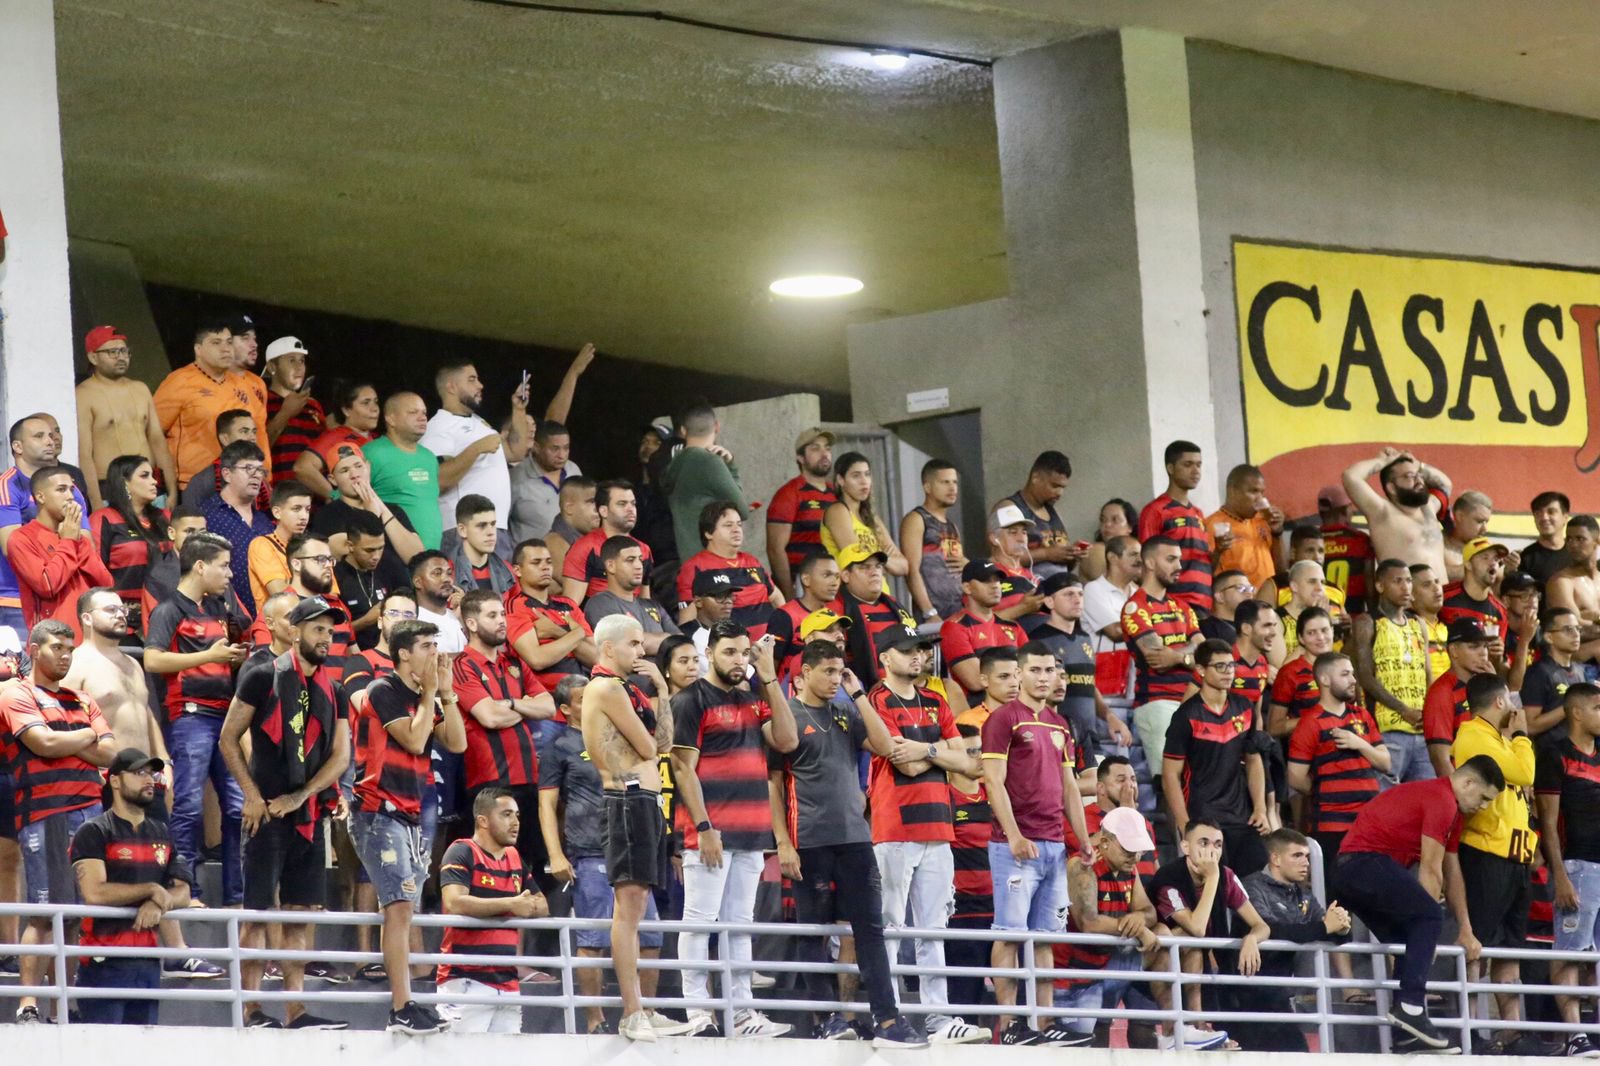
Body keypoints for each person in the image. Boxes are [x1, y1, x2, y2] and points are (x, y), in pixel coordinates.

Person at [770, 640, 929, 1047]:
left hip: (856, 838)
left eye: (839, 671)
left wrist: (858, 692)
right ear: (803, 673)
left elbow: (884, 745)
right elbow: (773, 785)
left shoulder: (845, 709)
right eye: (826, 671)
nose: (833, 679)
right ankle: (826, 1019)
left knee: (869, 931)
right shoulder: (785, 717)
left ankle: (888, 1020)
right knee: (813, 933)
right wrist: (784, 843)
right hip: (808, 839)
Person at [220, 596, 352, 1030]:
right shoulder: (262, 675)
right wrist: (253, 797)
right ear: (294, 631)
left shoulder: (334, 689)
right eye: (317, 629)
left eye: (330, 631)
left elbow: (341, 756)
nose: (325, 638)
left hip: (306, 812)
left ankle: (295, 1009)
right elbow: (228, 738)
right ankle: (251, 1008)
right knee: (257, 913)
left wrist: (304, 796)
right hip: (266, 811)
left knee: (300, 912)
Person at [670, 621, 797, 1037]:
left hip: (752, 831)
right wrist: (704, 827)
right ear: (710, 654)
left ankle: (742, 1014)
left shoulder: (754, 698)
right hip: (711, 833)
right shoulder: (691, 700)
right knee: (700, 922)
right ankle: (698, 1014)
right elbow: (681, 768)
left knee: (740, 925)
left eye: (744, 652)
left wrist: (770, 676)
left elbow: (786, 739)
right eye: (730, 652)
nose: (739, 660)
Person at [866, 625, 989, 1045]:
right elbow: (904, 763)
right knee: (891, 925)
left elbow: (972, 765)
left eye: (920, 650)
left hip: (939, 826)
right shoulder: (876, 700)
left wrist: (928, 750)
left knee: (933, 927)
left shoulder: (937, 700)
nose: (917, 657)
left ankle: (938, 1017)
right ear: (885, 658)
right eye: (906, 651)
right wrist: (941, 753)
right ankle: (888, 1014)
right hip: (895, 825)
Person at [1333, 756, 1504, 1049]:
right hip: (1362, 864)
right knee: (1428, 917)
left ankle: (1406, 1036)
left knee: (1409, 941)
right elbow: (1430, 869)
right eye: (1484, 798)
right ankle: (1411, 1008)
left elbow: (1452, 872)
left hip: (1351, 870)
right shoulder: (1443, 800)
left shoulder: (1453, 812)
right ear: (1467, 782)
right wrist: (1429, 928)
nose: (1484, 807)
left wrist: (1464, 927)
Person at [350, 618, 465, 1034]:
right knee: (398, 908)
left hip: (411, 813)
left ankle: (408, 1003)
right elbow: (415, 741)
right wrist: (433, 692)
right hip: (378, 811)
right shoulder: (383, 690)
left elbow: (457, 743)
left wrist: (447, 694)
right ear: (403, 653)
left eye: (437, 644)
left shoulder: (425, 696)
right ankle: (401, 1007)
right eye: (427, 645)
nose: (436, 653)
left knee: (405, 909)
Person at [0, 619, 117, 1023]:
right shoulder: (15, 692)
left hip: (91, 814)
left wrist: (71, 737)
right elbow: (42, 743)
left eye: (70, 649)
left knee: (72, 917)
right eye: (56, 648)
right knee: (43, 911)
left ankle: (62, 1006)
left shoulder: (82, 698)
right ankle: (28, 1003)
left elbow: (111, 754)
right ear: (33, 650)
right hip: (45, 811)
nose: (65, 656)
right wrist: (86, 736)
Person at [582, 615, 692, 1042]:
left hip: (643, 801)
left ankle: (642, 1009)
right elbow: (648, 747)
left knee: (638, 905)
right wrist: (649, 728)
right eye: (632, 644)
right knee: (628, 909)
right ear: (608, 649)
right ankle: (631, 1012)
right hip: (625, 800)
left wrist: (663, 690)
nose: (641, 652)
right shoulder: (606, 688)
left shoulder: (627, 690)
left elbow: (663, 745)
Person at [982, 642, 1092, 1046]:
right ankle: (1009, 1024)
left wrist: (1081, 838)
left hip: (1053, 845)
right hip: (1015, 846)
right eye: (1037, 670)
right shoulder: (1002, 719)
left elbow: (1069, 787)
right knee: (1009, 934)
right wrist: (1013, 835)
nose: (1045, 677)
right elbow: (992, 780)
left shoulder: (1061, 724)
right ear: (1020, 674)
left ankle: (1043, 1024)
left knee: (1045, 937)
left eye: (1051, 670)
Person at [539, 674, 662, 1034]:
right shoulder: (559, 745)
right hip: (590, 847)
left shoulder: (621, 734)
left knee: (651, 934)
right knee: (592, 940)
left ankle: (647, 1013)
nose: (589, 702)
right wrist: (556, 854)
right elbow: (547, 804)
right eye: (579, 699)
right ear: (565, 708)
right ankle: (595, 1021)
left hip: (630, 839)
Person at [143, 532, 250, 907]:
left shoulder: (221, 608)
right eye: (223, 565)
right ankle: (186, 890)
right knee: (187, 804)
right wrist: (208, 657)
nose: (230, 574)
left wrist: (231, 657)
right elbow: (152, 660)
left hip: (225, 719)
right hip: (189, 715)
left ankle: (239, 896)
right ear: (201, 566)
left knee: (238, 809)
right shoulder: (168, 608)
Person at [68, 747, 193, 1025]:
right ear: (114, 780)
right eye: (139, 773)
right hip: (103, 962)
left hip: (148, 962)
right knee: (104, 1053)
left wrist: (158, 901)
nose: (150, 780)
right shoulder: (94, 831)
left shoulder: (161, 831)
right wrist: (151, 889)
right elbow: (94, 893)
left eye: (152, 773)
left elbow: (183, 890)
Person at [1447, 673, 1539, 1053]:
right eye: (1510, 701)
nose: (1515, 709)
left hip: (1515, 857)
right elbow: (1524, 773)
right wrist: (1522, 736)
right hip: (1485, 854)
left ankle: (1511, 1031)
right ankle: (1468, 1031)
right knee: (1477, 949)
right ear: (1500, 702)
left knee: (1509, 951)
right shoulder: (1471, 735)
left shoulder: (1498, 739)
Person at [1149, 817, 1270, 1051]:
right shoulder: (1168, 878)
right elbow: (1197, 928)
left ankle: (1198, 1028)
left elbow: (1262, 925)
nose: (1211, 851)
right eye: (1203, 843)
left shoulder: (1226, 876)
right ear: (1185, 847)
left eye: (1217, 844)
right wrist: (1212, 878)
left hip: (1204, 967)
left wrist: (1252, 938)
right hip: (1154, 964)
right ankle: (1175, 1031)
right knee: (1185, 938)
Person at [434, 788, 547, 1033]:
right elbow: (455, 902)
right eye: (506, 815)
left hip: (507, 982)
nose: (515, 822)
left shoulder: (514, 857)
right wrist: (510, 904)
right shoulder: (461, 851)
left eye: (517, 815)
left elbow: (542, 904)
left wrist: (518, 904)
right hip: (465, 979)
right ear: (482, 821)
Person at [454, 587, 555, 855]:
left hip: (529, 780)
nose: (501, 620)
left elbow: (548, 706)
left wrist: (511, 703)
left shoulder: (514, 662)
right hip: (489, 782)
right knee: (494, 861)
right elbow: (489, 717)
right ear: (472, 624)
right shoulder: (462, 666)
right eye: (492, 615)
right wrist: (526, 705)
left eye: (502, 614)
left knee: (531, 863)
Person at [1237, 829, 1351, 1052]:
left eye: (1307, 856)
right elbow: (1272, 929)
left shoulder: (1303, 894)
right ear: (1275, 859)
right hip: (1245, 995)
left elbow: (1329, 932)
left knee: (1298, 1054)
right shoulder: (1252, 886)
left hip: (1278, 996)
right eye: (1297, 856)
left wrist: (1341, 927)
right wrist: (1326, 927)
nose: (1305, 863)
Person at [1164, 639, 1271, 872]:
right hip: (1202, 817)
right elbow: (1170, 775)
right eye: (1220, 666)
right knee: (1215, 890)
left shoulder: (1244, 708)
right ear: (1201, 670)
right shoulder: (1186, 715)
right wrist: (1185, 825)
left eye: (1231, 666)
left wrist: (1260, 808)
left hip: (1241, 817)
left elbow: (1253, 760)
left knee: (1255, 882)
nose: (1228, 672)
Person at [1055, 808, 1161, 1043]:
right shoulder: (1082, 867)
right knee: (1069, 1051)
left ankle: (1177, 1028)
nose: (1135, 857)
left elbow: (1149, 912)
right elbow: (1089, 923)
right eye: (1128, 849)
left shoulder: (1128, 868)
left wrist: (1139, 919)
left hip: (1094, 974)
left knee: (1085, 1047)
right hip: (1065, 976)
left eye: (1138, 850)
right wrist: (1139, 929)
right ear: (1104, 842)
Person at [1534, 683, 1600, 1058]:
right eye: (1598, 707)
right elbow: (1548, 821)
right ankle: (1574, 1035)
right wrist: (1559, 875)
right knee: (1570, 951)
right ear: (1577, 713)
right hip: (1575, 868)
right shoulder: (1554, 754)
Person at [1288, 652, 1387, 864]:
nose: (1353, 680)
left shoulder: (1362, 715)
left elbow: (1386, 763)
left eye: (1352, 674)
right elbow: (1295, 778)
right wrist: (1327, 792)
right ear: (1324, 679)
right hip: (1332, 826)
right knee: (1336, 890)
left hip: (1369, 820)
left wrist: (1359, 743)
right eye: (1345, 674)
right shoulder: (1310, 722)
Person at [0, 415, 93, 634]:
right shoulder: (7, 486)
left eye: (51, 435)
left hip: (66, 596)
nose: (50, 441)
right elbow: (10, 547)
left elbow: (89, 548)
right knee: (22, 667)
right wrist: (66, 538)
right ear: (17, 446)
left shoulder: (72, 489)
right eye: (39, 436)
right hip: (15, 600)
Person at [153, 319, 270, 490]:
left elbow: (258, 435)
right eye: (216, 343)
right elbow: (153, 434)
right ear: (198, 349)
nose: (225, 348)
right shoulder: (179, 381)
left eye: (229, 342)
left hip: (237, 486)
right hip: (191, 485)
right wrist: (167, 486)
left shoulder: (243, 384)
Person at [75, 326, 178, 509]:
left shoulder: (140, 389)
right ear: (93, 357)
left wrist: (172, 491)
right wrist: (96, 502)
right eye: (113, 352)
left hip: (150, 486)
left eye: (124, 351)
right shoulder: (83, 394)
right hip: (110, 489)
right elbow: (85, 454)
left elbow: (157, 441)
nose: (121, 357)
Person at [1351, 558, 1433, 784]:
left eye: (1408, 581)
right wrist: (1403, 709)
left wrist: (1429, 713)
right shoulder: (1368, 622)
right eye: (1398, 581)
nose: (1406, 587)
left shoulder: (1419, 623)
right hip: (1385, 730)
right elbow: (1365, 677)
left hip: (1421, 729)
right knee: (1385, 801)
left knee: (1423, 802)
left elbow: (1428, 673)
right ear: (1380, 586)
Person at [1122, 536, 1202, 766]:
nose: (1179, 566)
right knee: (1169, 782)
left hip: (1192, 699)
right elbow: (1157, 657)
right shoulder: (1135, 607)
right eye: (1171, 559)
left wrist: (1177, 656)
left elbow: (1205, 652)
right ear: (1149, 562)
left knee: (1197, 780)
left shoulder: (1182, 607)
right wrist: (1191, 653)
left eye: (1179, 560)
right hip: (1158, 703)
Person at [1028, 572, 1132, 746]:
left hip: (1088, 737)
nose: (1077, 600)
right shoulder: (1038, 640)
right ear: (1049, 601)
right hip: (1054, 737)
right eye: (1069, 594)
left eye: (1080, 594)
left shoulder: (1084, 638)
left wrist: (1109, 715)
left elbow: (1088, 684)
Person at [7, 465, 113, 635]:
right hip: (51, 641)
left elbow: (106, 584)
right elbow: (47, 585)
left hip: (89, 640)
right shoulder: (21, 538)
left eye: (71, 490)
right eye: (61, 490)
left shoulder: (78, 537)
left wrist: (78, 540)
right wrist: (69, 541)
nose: (70, 497)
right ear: (40, 496)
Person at [422, 361, 519, 547]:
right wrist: (476, 448)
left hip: (494, 526)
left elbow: (516, 452)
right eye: (472, 379)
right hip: (464, 529)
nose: (480, 385)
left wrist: (519, 410)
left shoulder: (479, 422)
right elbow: (438, 480)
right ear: (452, 386)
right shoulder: (439, 427)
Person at [675, 501, 783, 638]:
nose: (736, 529)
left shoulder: (752, 561)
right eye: (728, 525)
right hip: (732, 652)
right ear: (708, 533)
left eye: (739, 524)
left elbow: (776, 597)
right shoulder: (694, 567)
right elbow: (688, 622)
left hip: (769, 647)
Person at [88, 455, 169, 636]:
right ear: (124, 482)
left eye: (153, 475)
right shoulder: (104, 519)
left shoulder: (165, 517)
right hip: (122, 621)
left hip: (165, 619)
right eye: (145, 475)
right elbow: (94, 573)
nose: (154, 481)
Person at [1341, 447, 1453, 577]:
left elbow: (1446, 485)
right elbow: (1351, 476)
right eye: (1409, 476)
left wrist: (1418, 465)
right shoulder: (1383, 513)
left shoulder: (1429, 508)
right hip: (1406, 595)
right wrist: (1383, 461)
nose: (1419, 481)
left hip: (1441, 594)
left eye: (1419, 475)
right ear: (1391, 488)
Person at [309, 440, 424, 564]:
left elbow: (416, 557)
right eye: (344, 471)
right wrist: (372, 516)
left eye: (359, 466)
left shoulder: (393, 510)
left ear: (368, 468)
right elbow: (344, 555)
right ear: (333, 480)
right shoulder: (328, 514)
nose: (354, 475)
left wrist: (380, 507)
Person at [505, 538, 596, 693]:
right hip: (545, 694)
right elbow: (537, 659)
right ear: (517, 570)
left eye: (548, 562)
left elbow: (596, 658)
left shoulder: (568, 604)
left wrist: (556, 632)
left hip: (583, 691)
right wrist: (576, 634)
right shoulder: (515, 606)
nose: (545, 567)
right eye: (536, 562)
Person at [661, 399, 746, 563]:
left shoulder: (674, 464)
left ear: (683, 431)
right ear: (717, 427)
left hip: (689, 562)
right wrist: (731, 467)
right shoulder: (710, 462)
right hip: (714, 562)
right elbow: (741, 510)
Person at [1138, 439, 1213, 613]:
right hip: (1174, 602)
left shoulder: (1198, 513)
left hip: (1204, 602)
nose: (1196, 471)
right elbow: (1148, 561)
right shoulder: (1156, 510)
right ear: (1170, 468)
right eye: (1188, 464)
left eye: (1199, 465)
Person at [364, 392, 443, 550]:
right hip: (391, 556)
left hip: (431, 557)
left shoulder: (429, 457)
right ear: (391, 419)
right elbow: (344, 500)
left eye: (424, 412)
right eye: (413, 412)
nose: (422, 417)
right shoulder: (371, 453)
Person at [200, 441, 273, 613]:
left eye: (260, 470)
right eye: (248, 468)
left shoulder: (266, 522)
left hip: (267, 619)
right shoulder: (205, 516)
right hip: (223, 615)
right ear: (226, 474)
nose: (256, 476)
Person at [766, 427, 837, 600]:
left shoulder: (836, 493)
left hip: (835, 581)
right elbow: (775, 549)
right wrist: (789, 595)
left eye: (827, 448)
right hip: (803, 585)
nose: (824, 453)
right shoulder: (789, 493)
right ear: (800, 457)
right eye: (815, 448)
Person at [939, 560, 1024, 703]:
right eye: (985, 581)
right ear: (967, 587)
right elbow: (976, 680)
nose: (995, 586)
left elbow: (1032, 671)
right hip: (977, 713)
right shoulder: (954, 627)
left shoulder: (1013, 627)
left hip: (1017, 711)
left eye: (997, 580)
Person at [1424, 618, 1497, 776]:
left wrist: (1494, 688)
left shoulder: (1485, 687)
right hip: (1466, 788)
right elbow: (1440, 758)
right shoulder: (1442, 692)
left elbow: (1507, 731)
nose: (1483, 653)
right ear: (1454, 651)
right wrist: (1458, 797)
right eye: (1474, 647)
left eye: (1485, 646)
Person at [583, 535, 681, 651]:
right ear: (610, 566)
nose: (639, 566)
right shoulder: (600, 603)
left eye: (640, 559)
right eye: (630, 560)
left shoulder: (653, 605)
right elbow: (623, 645)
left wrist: (648, 640)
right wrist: (666, 638)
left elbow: (681, 644)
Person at [836, 545, 917, 685]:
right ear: (846, 576)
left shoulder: (894, 606)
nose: (874, 572)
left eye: (878, 566)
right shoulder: (836, 611)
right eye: (865, 567)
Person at [562, 479, 653, 604]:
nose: (630, 509)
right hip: (597, 620)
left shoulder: (644, 550)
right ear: (603, 511)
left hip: (634, 620)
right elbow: (570, 607)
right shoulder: (585, 548)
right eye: (622, 504)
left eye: (633, 503)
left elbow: (646, 604)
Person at [821, 451, 909, 579]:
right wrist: (883, 557)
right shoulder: (837, 511)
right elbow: (857, 560)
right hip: (852, 594)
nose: (864, 481)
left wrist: (878, 559)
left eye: (867, 474)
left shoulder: (871, 517)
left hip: (880, 594)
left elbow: (904, 566)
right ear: (841, 480)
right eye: (856, 476)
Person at [334, 510, 413, 650]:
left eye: (380, 548)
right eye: (369, 550)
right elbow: (330, 633)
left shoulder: (388, 569)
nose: (376, 556)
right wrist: (365, 621)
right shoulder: (336, 578)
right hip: (353, 657)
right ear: (350, 545)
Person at [901, 458, 966, 620]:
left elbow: (957, 567)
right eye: (945, 482)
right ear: (927, 486)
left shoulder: (952, 526)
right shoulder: (917, 519)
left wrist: (967, 564)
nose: (952, 488)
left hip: (960, 611)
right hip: (934, 614)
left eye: (955, 482)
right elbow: (911, 570)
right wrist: (929, 611)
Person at [294, 381, 381, 502]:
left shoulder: (378, 439)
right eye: (365, 403)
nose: (375, 409)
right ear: (346, 410)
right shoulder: (336, 436)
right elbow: (302, 467)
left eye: (375, 401)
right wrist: (334, 496)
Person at [1004, 450, 1082, 581]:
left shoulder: (1054, 512)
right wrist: (1046, 553)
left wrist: (1071, 555)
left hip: (1059, 592)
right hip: (1026, 591)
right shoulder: (1010, 508)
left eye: (1063, 487)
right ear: (1036, 478)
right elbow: (1003, 559)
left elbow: (1065, 566)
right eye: (1054, 486)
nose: (1059, 493)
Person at [1204, 463, 1284, 590]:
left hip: (1269, 602)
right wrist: (1218, 551)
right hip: (1239, 604)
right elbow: (1205, 575)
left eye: (1262, 493)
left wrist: (1277, 533)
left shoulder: (1263, 521)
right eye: (1253, 491)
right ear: (1232, 491)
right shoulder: (1213, 525)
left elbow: (1281, 571)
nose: (1260, 499)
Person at [1081, 533, 1140, 694]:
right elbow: (1115, 631)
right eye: (1134, 554)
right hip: (1104, 684)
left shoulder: (1139, 593)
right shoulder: (1094, 589)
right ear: (1113, 558)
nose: (1140, 560)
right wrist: (1150, 626)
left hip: (1134, 683)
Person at [179, 410, 270, 512]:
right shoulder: (203, 482)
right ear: (224, 439)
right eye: (244, 431)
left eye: (254, 432)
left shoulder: (261, 480)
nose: (252, 438)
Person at [767, 552, 841, 677]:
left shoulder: (835, 617)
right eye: (826, 575)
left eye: (837, 576)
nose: (835, 582)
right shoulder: (784, 616)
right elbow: (769, 667)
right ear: (806, 579)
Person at [262, 337, 325, 483]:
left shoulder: (313, 405)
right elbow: (255, 451)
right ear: (272, 367)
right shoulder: (261, 402)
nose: (299, 367)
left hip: (313, 497)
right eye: (291, 360)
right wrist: (285, 414)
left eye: (302, 360)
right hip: (278, 494)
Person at [1266, 606, 1335, 741]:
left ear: (1332, 631)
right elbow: (1274, 727)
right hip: (1305, 753)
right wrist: (1318, 718)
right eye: (1311, 633)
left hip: (1346, 754)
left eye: (1324, 630)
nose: (1320, 637)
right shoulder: (1290, 672)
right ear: (1301, 639)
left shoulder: (1344, 665)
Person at [509, 420, 581, 547]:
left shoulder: (573, 470)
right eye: (555, 449)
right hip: (532, 561)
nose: (562, 455)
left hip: (572, 557)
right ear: (536, 447)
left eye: (566, 448)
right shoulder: (516, 478)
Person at [245, 480, 314, 610]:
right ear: (277, 512)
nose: (304, 516)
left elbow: (330, 595)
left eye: (307, 509)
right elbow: (282, 596)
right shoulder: (262, 545)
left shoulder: (314, 547)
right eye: (296, 509)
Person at [1523, 607, 1588, 741]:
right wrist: (1571, 705)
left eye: (1577, 628)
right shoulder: (1539, 672)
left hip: (1579, 755)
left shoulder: (1580, 671)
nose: (1576, 634)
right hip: (1551, 755)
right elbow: (1530, 726)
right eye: (1568, 629)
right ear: (1549, 637)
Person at [1440, 537, 1510, 660]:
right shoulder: (1442, 597)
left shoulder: (1500, 612)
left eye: (1495, 559)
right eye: (1485, 557)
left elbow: (1497, 668)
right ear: (1468, 564)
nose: (1493, 563)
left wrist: (1498, 657)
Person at [1317, 483, 1376, 615]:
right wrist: (1373, 616)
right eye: (1350, 507)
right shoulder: (1360, 540)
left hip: (1320, 619)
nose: (1353, 511)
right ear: (1344, 510)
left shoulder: (1310, 541)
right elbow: (1370, 587)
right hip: (1353, 617)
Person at [985, 502, 1046, 621]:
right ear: (994, 538)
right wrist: (1022, 608)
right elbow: (978, 623)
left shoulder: (1032, 575)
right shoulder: (985, 575)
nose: (1021, 538)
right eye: (1013, 532)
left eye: (1024, 532)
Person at [445, 495, 515, 594]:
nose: (491, 532)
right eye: (482, 526)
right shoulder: (447, 572)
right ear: (462, 530)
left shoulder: (507, 570)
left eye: (493, 524)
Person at [1547, 515, 1600, 636]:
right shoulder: (1561, 582)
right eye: (1569, 539)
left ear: (1597, 541)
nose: (1573, 544)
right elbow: (1572, 629)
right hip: (1578, 653)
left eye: (1580, 539)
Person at [544, 475, 598, 578]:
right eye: (591, 502)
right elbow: (581, 588)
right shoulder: (554, 542)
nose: (598, 508)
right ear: (569, 508)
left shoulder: (596, 536)